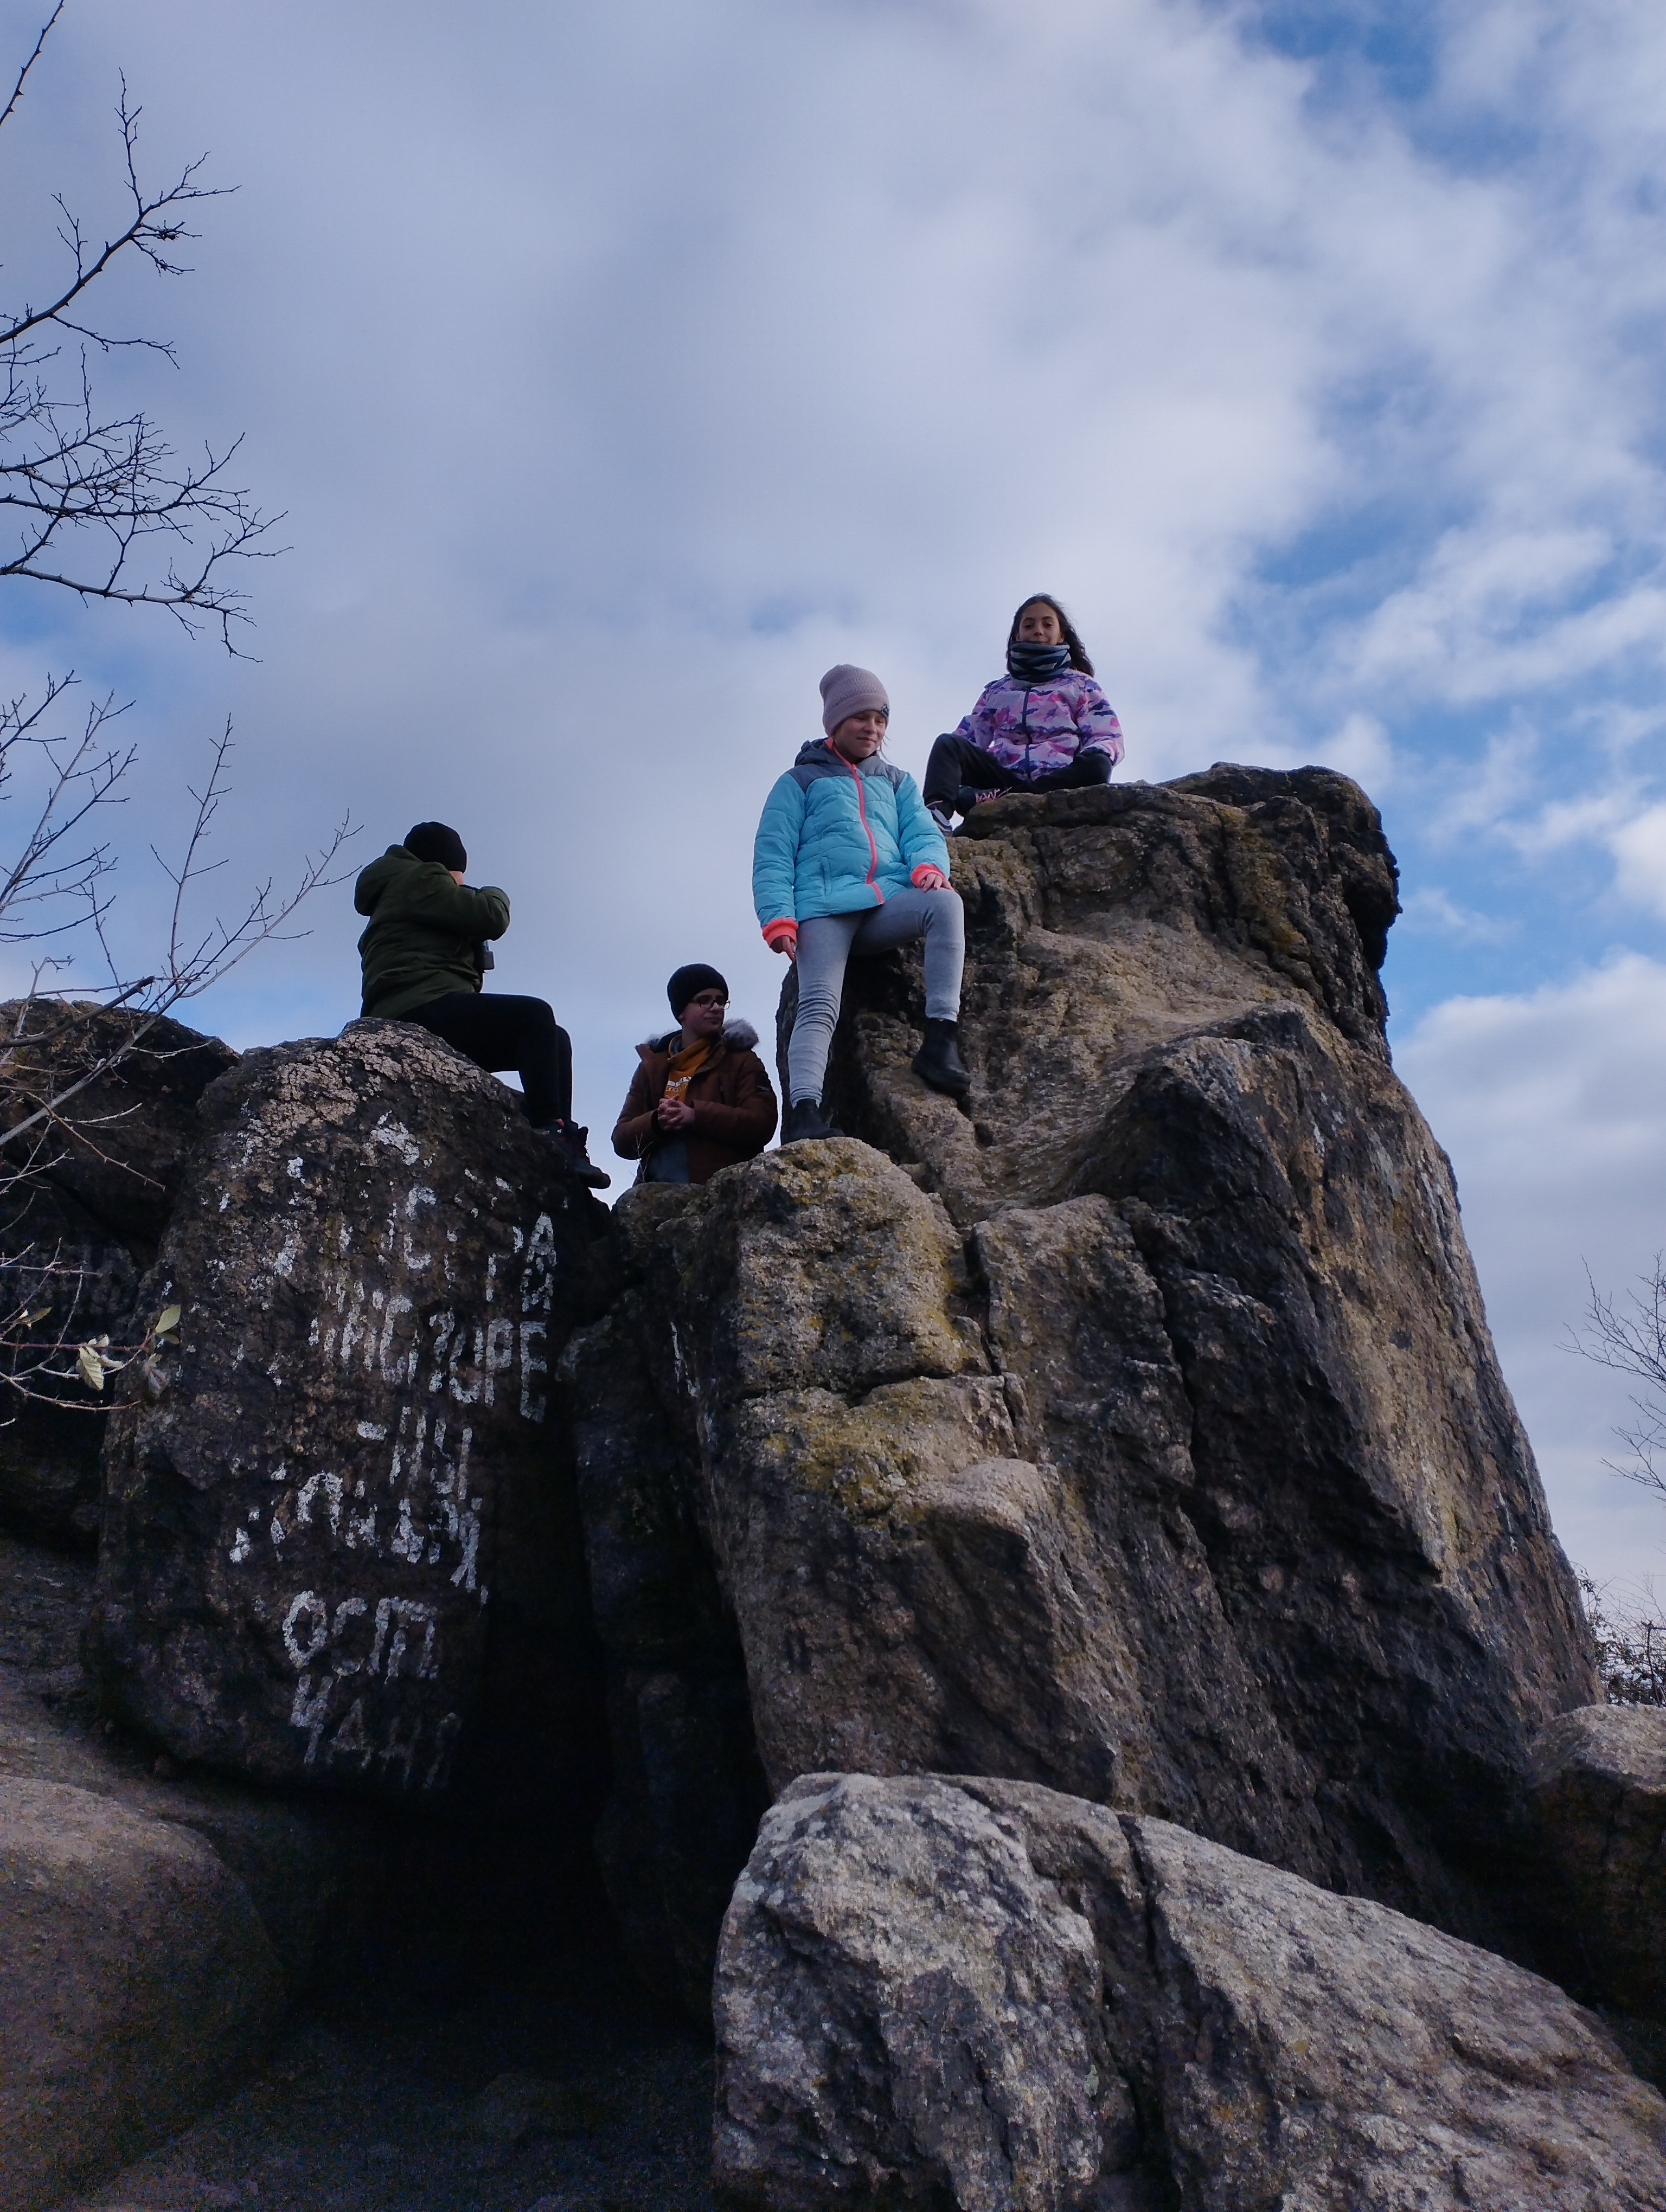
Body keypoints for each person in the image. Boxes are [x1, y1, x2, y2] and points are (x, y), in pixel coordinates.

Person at [754, 664, 969, 1144]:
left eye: (880, 719)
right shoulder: (798, 781)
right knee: (818, 1004)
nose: (872, 728)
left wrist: (929, 868)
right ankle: (804, 1113)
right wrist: (778, 919)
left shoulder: (897, 781)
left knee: (946, 905)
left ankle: (940, 1041)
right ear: (836, 722)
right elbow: (773, 853)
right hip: (824, 911)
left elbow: (922, 833)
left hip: (885, 901)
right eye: (861, 718)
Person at [354, 821, 608, 1186]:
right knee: (534, 1015)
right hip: (418, 1011)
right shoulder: (421, 879)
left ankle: (561, 1137)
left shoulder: (401, 888)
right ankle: (550, 1136)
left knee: (554, 1039)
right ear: (447, 866)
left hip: (420, 1008)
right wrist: (492, 892)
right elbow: (492, 916)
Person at [922, 593, 1124, 831]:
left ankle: (1003, 797)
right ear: (1018, 635)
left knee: (1099, 764)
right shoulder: (997, 691)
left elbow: (1106, 737)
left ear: (1061, 635)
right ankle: (934, 820)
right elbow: (969, 737)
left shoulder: (1081, 684)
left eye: (1047, 625)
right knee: (947, 745)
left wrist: (1092, 756)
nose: (1038, 631)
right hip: (1004, 774)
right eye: (1029, 625)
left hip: (1060, 777)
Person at [611, 963, 777, 1186]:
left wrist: (695, 1115)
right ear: (681, 1012)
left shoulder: (742, 1060)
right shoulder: (651, 1067)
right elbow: (622, 1140)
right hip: (656, 1196)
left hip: (723, 1193)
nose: (716, 1007)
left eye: (721, 1000)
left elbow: (762, 1123)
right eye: (704, 1000)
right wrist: (657, 1122)